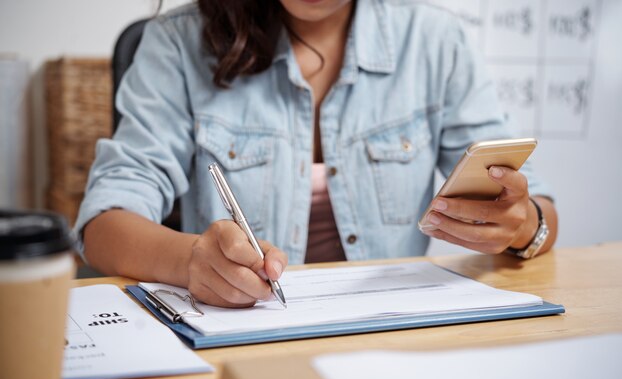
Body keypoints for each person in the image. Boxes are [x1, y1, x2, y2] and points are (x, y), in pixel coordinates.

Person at [76, 0, 558, 308]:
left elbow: (540, 212)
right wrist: (192, 260)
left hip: (395, 340)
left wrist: (523, 224)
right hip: (242, 342)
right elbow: (103, 225)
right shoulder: (177, 42)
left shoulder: (435, 41)